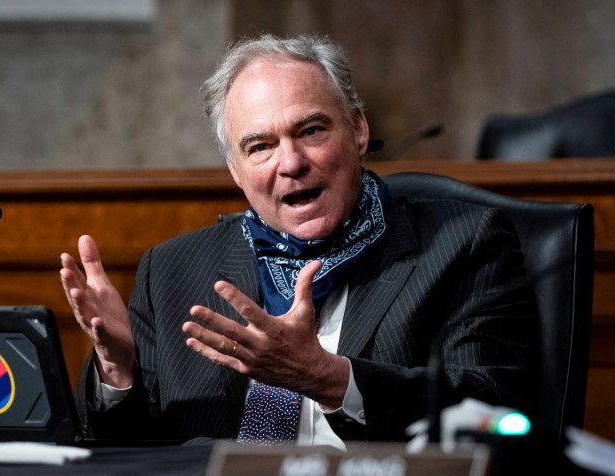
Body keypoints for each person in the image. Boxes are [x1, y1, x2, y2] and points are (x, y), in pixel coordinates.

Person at [59, 34, 534, 447]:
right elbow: (125, 455)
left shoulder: (464, 245)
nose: (290, 163)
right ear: (236, 170)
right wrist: (117, 371)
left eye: (310, 131)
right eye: (260, 146)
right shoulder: (173, 270)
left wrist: (325, 378)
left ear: (358, 130)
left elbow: (499, 418)